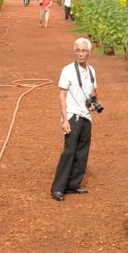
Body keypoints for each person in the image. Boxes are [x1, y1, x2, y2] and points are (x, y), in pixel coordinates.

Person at [52, 38, 98, 200]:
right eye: (77, 50)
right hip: (73, 115)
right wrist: (64, 120)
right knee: (69, 151)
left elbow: (92, 92)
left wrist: (93, 103)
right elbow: (62, 94)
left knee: (82, 152)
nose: (80, 53)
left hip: (87, 116)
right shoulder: (68, 70)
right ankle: (58, 188)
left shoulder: (92, 71)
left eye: (83, 50)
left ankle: (73, 184)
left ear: (89, 52)